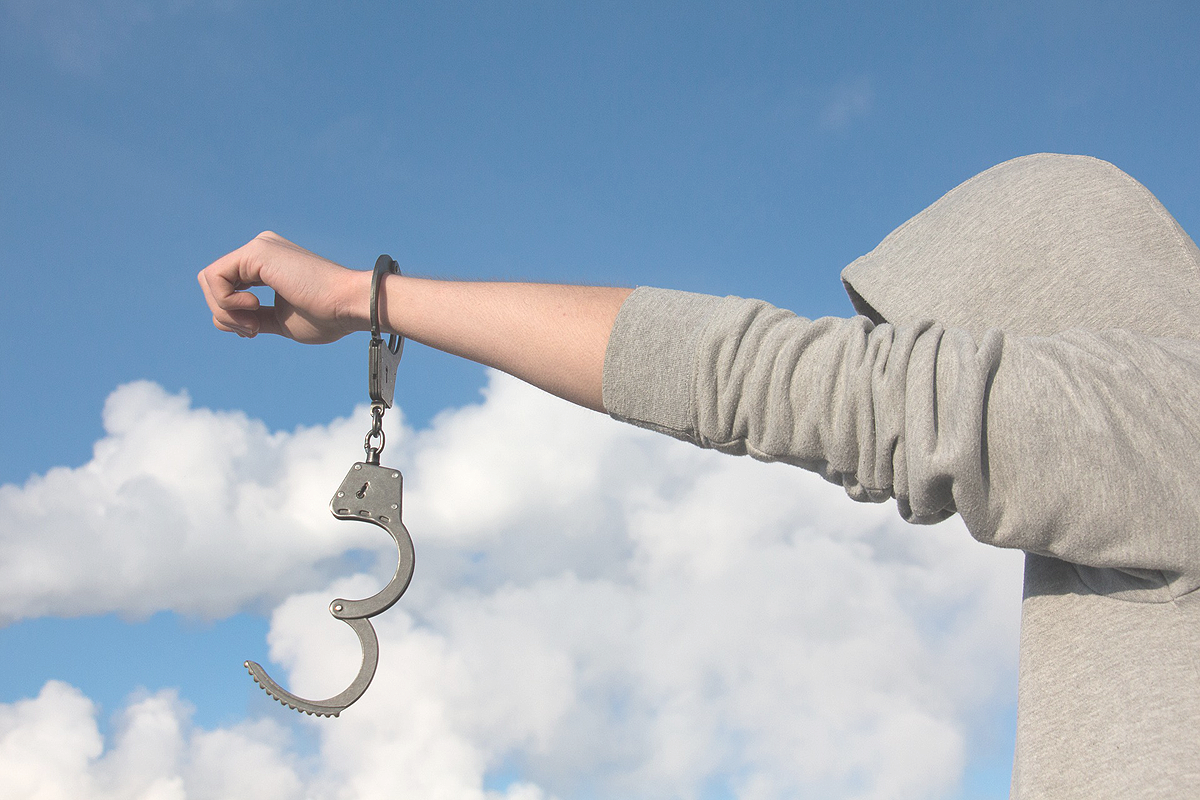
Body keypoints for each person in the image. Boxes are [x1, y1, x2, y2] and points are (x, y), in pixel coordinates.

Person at [198, 153, 1200, 798]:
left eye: (934, 346)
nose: (904, 366)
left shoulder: (1163, 429)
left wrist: (369, 297)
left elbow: (756, 377)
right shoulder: (1132, 514)